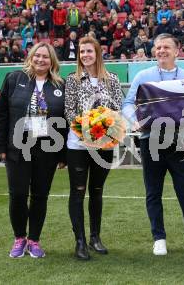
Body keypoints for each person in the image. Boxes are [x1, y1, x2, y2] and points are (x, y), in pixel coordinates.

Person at [122, 33, 184, 256]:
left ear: (177, 50)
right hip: (149, 141)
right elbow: (128, 103)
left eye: (166, 47)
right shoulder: (144, 75)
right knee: (153, 192)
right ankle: (159, 238)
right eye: (158, 47)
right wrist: (135, 121)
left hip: (178, 141)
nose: (161, 51)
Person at [0, 42, 67, 258]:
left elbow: (65, 121)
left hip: (47, 149)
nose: (40, 60)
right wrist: (0, 145)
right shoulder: (14, 79)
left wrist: (62, 154)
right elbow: (1, 114)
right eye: (37, 56)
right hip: (18, 147)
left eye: (45, 57)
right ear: (31, 57)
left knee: (40, 196)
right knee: (17, 195)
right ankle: (19, 238)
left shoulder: (60, 85)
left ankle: (34, 240)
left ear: (52, 61)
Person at [64, 36, 123, 260]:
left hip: (105, 144)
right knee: (78, 192)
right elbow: (69, 111)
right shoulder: (73, 80)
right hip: (78, 144)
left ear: (98, 53)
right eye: (82, 52)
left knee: (96, 191)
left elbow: (117, 107)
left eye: (89, 51)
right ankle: (79, 241)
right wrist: (86, 129)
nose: (85, 55)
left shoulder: (113, 79)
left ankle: (95, 237)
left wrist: (105, 127)